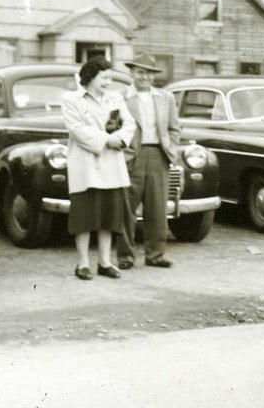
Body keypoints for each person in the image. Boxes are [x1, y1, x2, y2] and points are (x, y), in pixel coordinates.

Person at [62, 56, 136, 280]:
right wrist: (107, 140)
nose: (107, 82)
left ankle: (105, 262)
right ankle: (83, 264)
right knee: (84, 217)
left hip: (112, 165)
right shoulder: (72, 99)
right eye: (103, 78)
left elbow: (129, 123)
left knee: (108, 216)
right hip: (85, 165)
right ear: (91, 76)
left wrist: (121, 139)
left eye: (109, 78)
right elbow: (76, 128)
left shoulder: (115, 98)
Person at [116, 52, 181, 270]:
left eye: (149, 73)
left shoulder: (166, 97)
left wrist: (170, 148)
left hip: (158, 156)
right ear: (132, 73)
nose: (145, 77)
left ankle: (155, 255)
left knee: (157, 208)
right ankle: (125, 256)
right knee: (127, 207)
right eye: (140, 72)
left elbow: (174, 128)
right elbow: (112, 127)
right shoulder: (120, 97)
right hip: (131, 156)